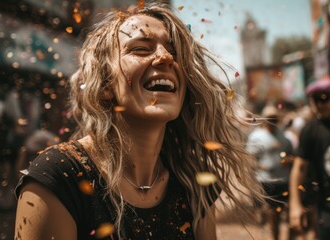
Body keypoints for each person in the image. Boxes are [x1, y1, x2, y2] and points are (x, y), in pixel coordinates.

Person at [14, 3, 264, 239]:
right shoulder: (60, 176)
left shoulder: (192, 183)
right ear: (105, 85)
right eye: (140, 48)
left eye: (175, 52)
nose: (166, 58)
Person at [289, 76, 330, 240]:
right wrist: (295, 205)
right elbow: (299, 168)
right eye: (315, 99)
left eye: (324, 98)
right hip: (326, 210)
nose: (319, 104)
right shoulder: (311, 131)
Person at [246, 103, 294, 240]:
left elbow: (292, 156)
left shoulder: (284, 137)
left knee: (281, 213)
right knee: (272, 212)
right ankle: (273, 235)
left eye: (274, 118)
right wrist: (262, 167)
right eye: (270, 118)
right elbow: (250, 160)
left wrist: (289, 161)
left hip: (283, 180)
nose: (272, 121)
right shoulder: (256, 137)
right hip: (265, 180)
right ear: (264, 119)